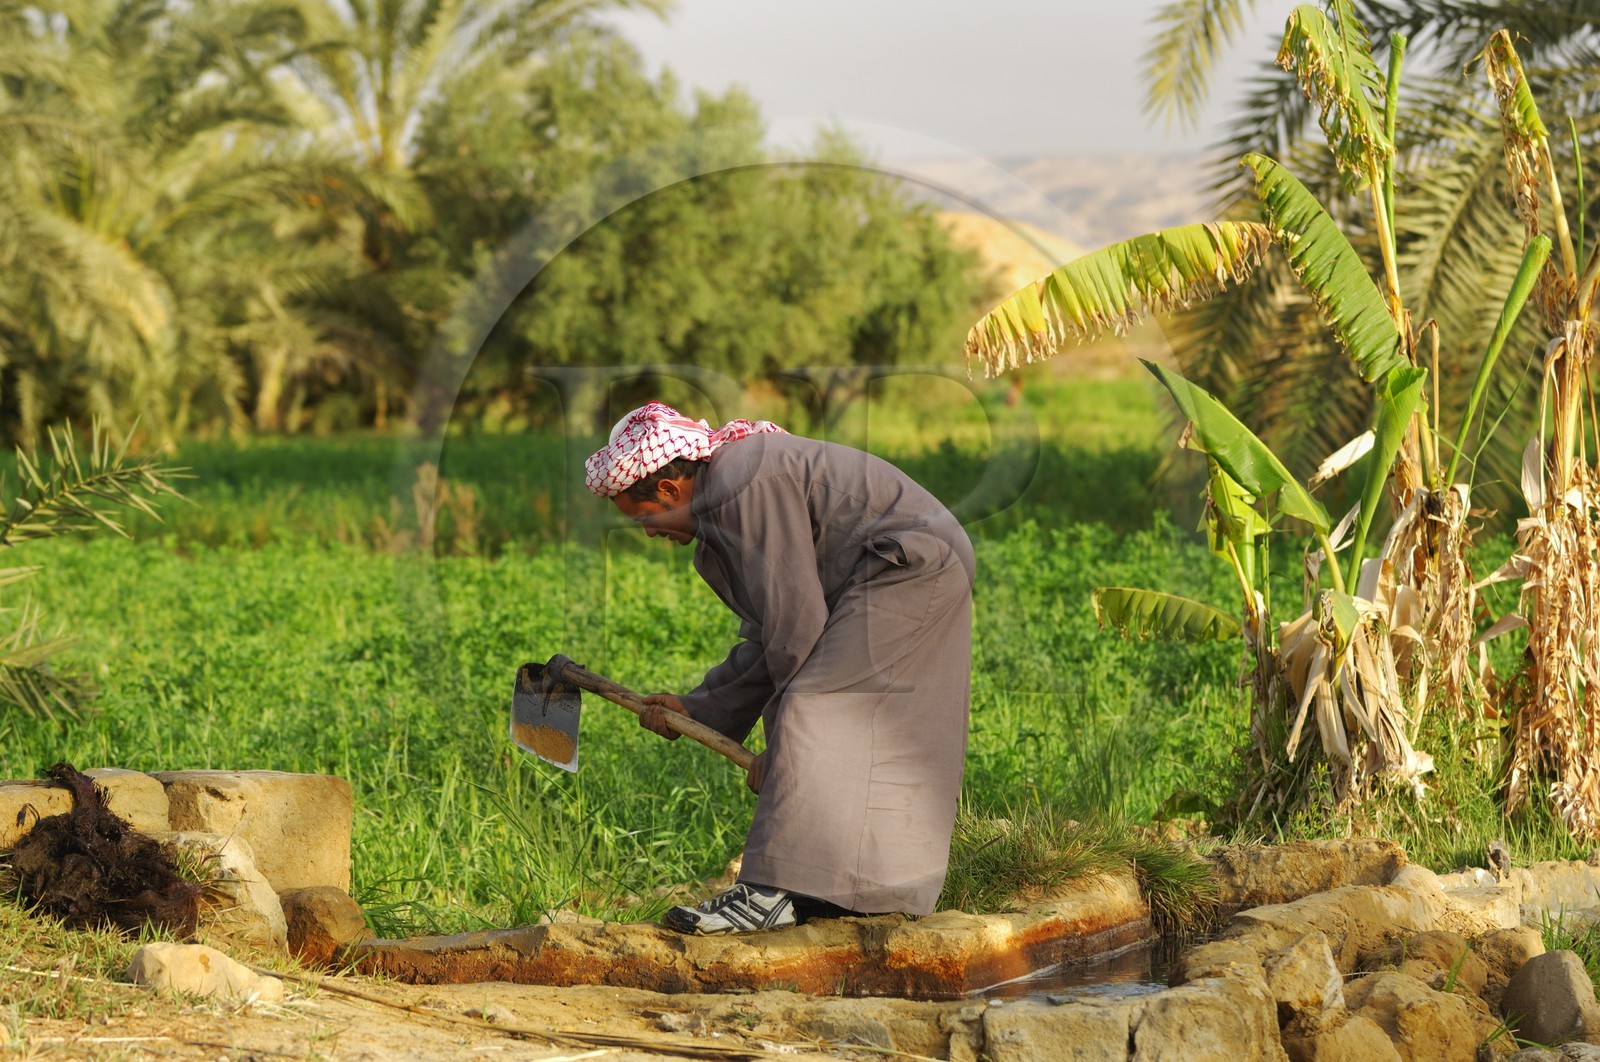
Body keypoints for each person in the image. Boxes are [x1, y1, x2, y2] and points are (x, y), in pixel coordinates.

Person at [584, 402, 974, 935]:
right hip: (885, 569)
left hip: (912, 563)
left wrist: (786, 751)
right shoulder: (721, 516)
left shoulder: (742, 485)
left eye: (644, 519)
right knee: (830, 711)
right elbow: (768, 637)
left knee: (815, 704)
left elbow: (795, 626)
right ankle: (841, 897)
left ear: (670, 489)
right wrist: (700, 709)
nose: (649, 534)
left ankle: (764, 892)